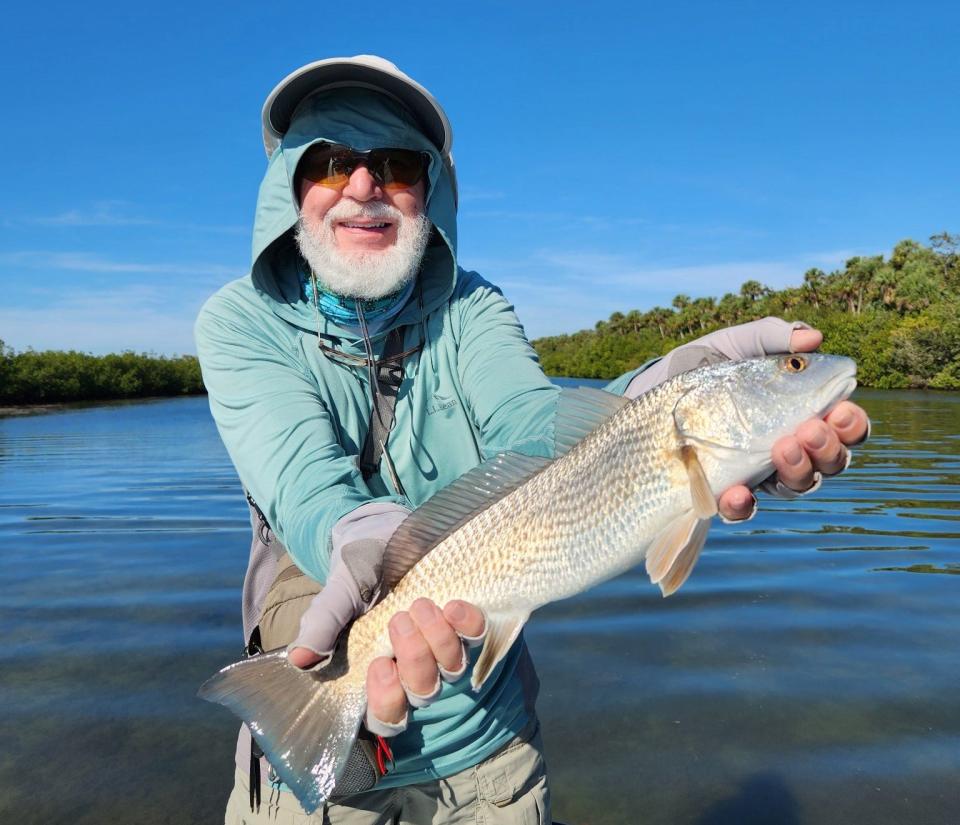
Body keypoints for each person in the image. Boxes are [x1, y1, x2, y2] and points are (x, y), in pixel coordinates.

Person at [195, 55, 870, 825]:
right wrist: (365, 545)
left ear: (431, 188)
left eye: (396, 164)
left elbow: (538, 429)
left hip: (490, 747)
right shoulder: (235, 321)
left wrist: (672, 381)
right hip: (326, 749)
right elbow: (305, 482)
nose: (361, 186)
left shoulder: (474, 309)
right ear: (289, 183)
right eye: (329, 162)